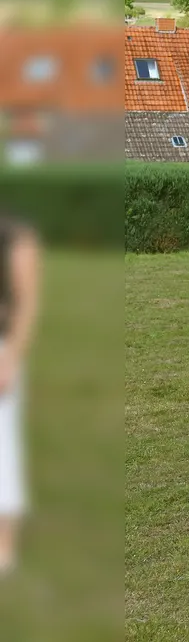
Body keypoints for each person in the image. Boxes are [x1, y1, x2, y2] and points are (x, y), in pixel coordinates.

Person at [0, 215, 39, 575]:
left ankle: (5, 546)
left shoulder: (12, 234)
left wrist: (11, 357)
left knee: (4, 447)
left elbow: (26, 302)